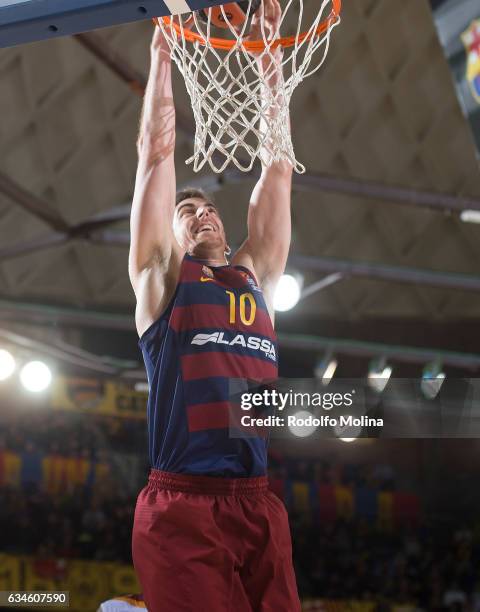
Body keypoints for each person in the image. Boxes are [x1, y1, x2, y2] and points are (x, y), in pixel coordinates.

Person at [129, 1, 300, 610]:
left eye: (207, 208)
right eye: (186, 212)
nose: (200, 211)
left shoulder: (257, 278)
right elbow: (156, 158)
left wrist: (270, 60)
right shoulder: (163, 281)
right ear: (173, 241)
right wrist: (161, 57)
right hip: (182, 504)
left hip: (256, 500)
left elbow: (277, 169)